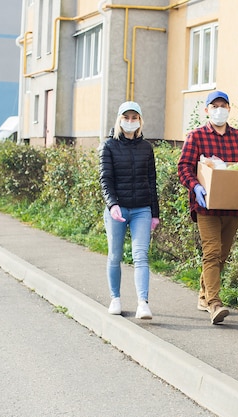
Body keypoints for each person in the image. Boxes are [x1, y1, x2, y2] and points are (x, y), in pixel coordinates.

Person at [178, 90, 238, 325]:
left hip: (233, 206)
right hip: (206, 207)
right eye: (214, 106)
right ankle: (215, 303)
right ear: (206, 110)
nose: (218, 110)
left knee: (222, 255)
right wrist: (195, 187)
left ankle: (204, 295)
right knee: (212, 252)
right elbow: (184, 167)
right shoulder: (196, 137)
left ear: (229, 109)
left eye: (222, 105)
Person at [99, 101, 160, 319]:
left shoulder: (146, 148)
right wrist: (112, 204)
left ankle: (143, 303)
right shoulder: (108, 146)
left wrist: (155, 213)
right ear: (119, 120)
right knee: (115, 255)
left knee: (140, 255)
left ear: (140, 121)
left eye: (135, 118)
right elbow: (105, 179)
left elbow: (152, 181)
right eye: (127, 118)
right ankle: (115, 298)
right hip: (117, 209)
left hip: (141, 209)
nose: (130, 122)